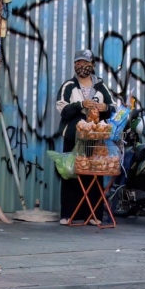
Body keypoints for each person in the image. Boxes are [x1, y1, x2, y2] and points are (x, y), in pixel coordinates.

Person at [55, 48, 113, 224]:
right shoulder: (68, 86)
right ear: (74, 65)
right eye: (79, 63)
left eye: (86, 63)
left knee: (94, 174)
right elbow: (62, 109)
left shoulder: (101, 87)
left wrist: (106, 108)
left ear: (92, 65)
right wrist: (80, 104)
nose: (82, 66)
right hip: (73, 137)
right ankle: (67, 214)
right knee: (71, 174)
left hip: (94, 138)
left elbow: (114, 108)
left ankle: (94, 215)